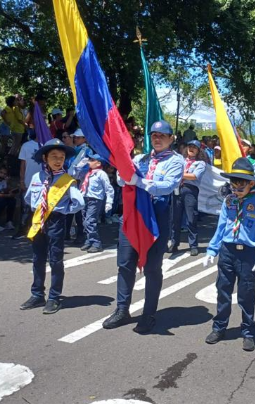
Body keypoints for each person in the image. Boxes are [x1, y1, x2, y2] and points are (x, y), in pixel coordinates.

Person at [103, 120, 184, 334]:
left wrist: (137, 181)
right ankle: (122, 310)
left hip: (156, 217)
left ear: (171, 139)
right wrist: (124, 175)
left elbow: (166, 187)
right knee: (125, 263)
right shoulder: (140, 159)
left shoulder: (176, 161)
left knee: (152, 267)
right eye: (154, 135)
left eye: (162, 135)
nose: (157, 139)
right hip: (133, 216)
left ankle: (148, 314)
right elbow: (122, 181)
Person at [203, 157, 255, 352]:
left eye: (242, 182)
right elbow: (221, 226)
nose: (237, 186)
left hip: (247, 254)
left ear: (251, 183)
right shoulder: (229, 200)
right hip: (227, 252)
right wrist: (212, 249)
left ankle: (248, 332)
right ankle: (219, 327)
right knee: (223, 291)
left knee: (246, 294)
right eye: (234, 181)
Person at [20, 138, 83, 314]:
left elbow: (79, 202)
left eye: (61, 157)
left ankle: (54, 297)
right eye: (53, 156)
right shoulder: (36, 177)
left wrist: (63, 210)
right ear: (45, 158)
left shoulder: (67, 180)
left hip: (56, 221)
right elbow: (28, 199)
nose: (57, 160)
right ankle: (37, 294)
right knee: (37, 258)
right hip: (39, 220)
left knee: (55, 260)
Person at [170, 140, 206, 256]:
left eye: (194, 147)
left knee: (191, 218)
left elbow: (194, 176)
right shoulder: (181, 161)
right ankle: (174, 243)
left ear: (198, 150)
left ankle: (193, 245)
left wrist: (178, 174)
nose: (191, 149)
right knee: (175, 219)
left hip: (190, 190)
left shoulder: (200, 163)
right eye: (189, 146)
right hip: (177, 190)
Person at [80, 153, 114, 253]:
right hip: (85, 198)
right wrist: (80, 165)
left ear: (98, 163)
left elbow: (109, 188)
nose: (89, 161)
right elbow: (75, 174)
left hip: (95, 199)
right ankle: (89, 240)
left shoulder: (101, 174)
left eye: (92, 160)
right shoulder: (87, 172)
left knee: (90, 221)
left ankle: (96, 243)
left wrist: (109, 202)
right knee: (84, 220)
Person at [13, 131, 41, 240]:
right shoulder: (26, 145)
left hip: (43, 183)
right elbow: (22, 165)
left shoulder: (48, 145)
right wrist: (21, 181)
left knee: (40, 208)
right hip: (29, 181)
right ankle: (22, 230)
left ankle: (38, 230)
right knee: (25, 208)